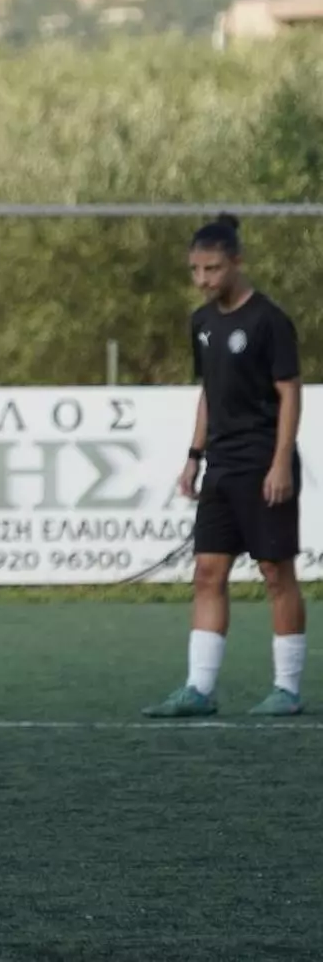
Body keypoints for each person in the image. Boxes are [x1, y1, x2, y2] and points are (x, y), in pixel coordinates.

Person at [144, 213, 306, 718]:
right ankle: (199, 689)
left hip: (263, 463)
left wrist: (281, 463)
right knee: (207, 572)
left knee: (275, 573)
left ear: (236, 262)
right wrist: (194, 456)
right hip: (220, 465)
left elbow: (290, 393)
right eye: (195, 270)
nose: (203, 280)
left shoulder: (269, 320)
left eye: (212, 269)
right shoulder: (202, 323)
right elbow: (209, 393)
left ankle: (287, 689)